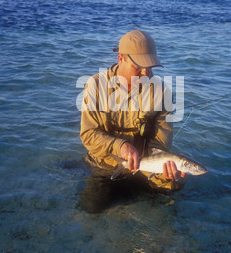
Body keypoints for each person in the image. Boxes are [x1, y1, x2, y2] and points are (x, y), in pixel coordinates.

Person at [80, 29, 186, 192]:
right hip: (103, 165)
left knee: (171, 191)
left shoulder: (162, 93)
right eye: (139, 66)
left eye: (149, 67)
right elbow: (88, 134)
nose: (145, 73)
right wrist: (120, 146)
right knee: (92, 210)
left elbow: (160, 145)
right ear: (120, 58)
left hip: (144, 167)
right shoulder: (95, 85)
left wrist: (165, 173)